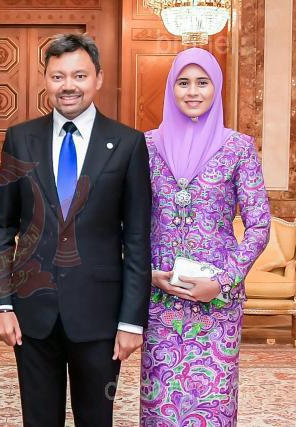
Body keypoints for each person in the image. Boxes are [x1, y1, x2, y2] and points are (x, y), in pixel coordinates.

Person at [0, 33, 152, 426]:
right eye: (58, 76)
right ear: (45, 80)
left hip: (100, 314)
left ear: (98, 78)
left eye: (79, 75)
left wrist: (132, 321)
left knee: (96, 418)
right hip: (32, 312)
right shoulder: (20, 139)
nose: (68, 86)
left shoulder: (128, 143)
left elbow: (136, 239)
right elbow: (2, 227)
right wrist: (2, 303)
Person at [140, 48, 271, 426]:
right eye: (183, 82)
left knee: (213, 400)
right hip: (162, 297)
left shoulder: (238, 148)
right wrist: (147, 273)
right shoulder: (146, 146)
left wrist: (223, 281)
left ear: (217, 88)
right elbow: (125, 221)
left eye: (203, 82)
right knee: (161, 399)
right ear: (171, 88)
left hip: (217, 301)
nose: (192, 91)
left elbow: (259, 224)